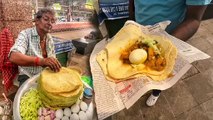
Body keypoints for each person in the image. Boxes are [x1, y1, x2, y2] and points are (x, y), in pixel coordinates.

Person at [129, 0, 212, 106]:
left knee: (159, 73)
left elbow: (193, 19)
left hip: (169, 37)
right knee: (139, 68)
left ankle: (156, 92)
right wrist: (131, 20)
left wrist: (163, 46)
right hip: (139, 29)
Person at [9, 8, 61, 86]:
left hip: (44, 74)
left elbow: (52, 58)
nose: (50, 23)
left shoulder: (49, 38)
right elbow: (13, 56)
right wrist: (41, 61)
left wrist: (53, 63)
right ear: (36, 20)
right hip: (28, 75)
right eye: (46, 19)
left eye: (53, 21)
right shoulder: (25, 34)